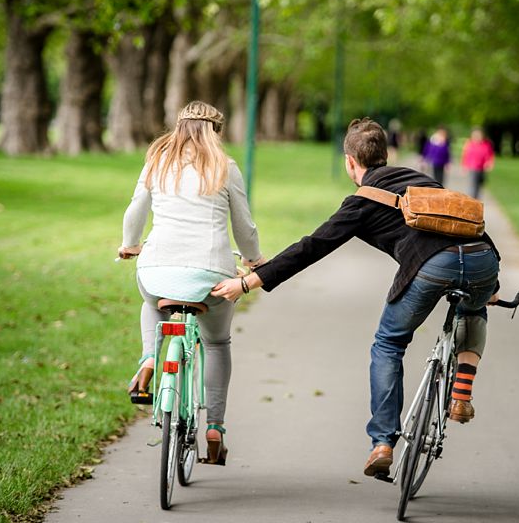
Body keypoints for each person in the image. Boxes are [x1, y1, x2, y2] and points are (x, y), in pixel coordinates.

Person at [211, 118, 501, 477]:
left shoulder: (361, 202)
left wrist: (249, 281)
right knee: (474, 309)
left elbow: (312, 246)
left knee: (389, 344)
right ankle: (461, 394)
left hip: (431, 266)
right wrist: (493, 282)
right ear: (386, 154)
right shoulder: (422, 179)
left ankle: (382, 442)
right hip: (482, 257)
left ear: (350, 161)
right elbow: (460, 219)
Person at [118, 100, 263, 465]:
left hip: (157, 267)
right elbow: (243, 226)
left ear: (178, 127)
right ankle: (215, 426)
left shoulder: (158, 162)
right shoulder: (225, 167)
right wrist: (253, 260)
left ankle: (150, 357)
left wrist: (130, 245)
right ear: (216, 132)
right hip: (211, 274)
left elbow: (136, 210)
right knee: (216, 343)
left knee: (151, 302)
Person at [461, 127, 495, 199]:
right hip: (472, 167)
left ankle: (476, 198)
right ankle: (472, 200)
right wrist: (464, 166)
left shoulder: (486, 144)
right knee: (473, 185)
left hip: (482, 168)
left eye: (479, 135)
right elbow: (465, 155)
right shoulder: (469, 144)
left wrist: (489, 163)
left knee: (480, 184)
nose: (477, 136)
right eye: (475, 135)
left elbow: (490, 155)